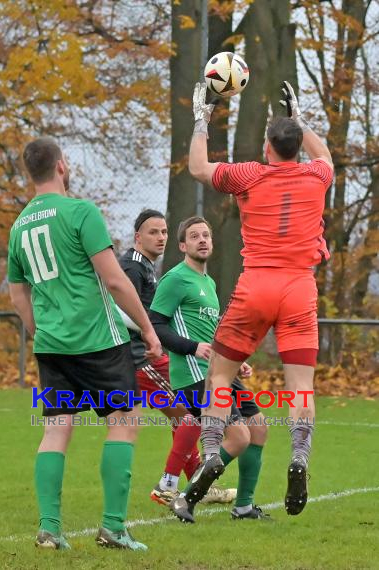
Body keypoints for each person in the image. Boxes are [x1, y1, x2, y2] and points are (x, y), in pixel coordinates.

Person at [174, 81, 334, 521]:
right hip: (299, 287)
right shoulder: (316, 175)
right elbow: (326, 158)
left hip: (257, 283)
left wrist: (202, 119)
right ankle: (299, 456)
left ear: (267, 147)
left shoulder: (249, 173)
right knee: (301, 385)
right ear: (296, 146)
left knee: (220, 375)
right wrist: (300, 121)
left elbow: (199, 167)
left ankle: (210, 451)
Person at [7, 137, 161, 551]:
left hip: (52, 343)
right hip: (96, 339)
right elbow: (115, 280)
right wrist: (147, 330)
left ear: (30, 172)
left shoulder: (19, 225)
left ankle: (49, 530)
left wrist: (38, 330)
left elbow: (17, 294)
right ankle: (112, 528)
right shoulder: (80, 212)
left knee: (57, 428)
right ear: (61, 165)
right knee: (125, 421)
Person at [149, 216, 269, 523]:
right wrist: (192, 347)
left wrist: (233, 357)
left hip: (218, 369)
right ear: (182, 245)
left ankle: (243, 507)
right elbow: (155, 325)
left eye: (206, 235)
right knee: (239, 437)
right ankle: (186, 499)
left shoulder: (208, 282)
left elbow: (212, 332)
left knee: (258, 427)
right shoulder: (175, 279)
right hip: (194, 374)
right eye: (194, 236)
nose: (202, 240)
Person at [119, 209, 235, 506]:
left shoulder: (146, 266)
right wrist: (151, 334)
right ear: (137, 237)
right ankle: (172, 483)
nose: (160, 237)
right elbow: (121, 311)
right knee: (191, 414)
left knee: (185, 417)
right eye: (153, 232)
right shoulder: (133, 266)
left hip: (147, 354)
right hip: (140, 357)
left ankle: (193, 483)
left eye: (164, 232)